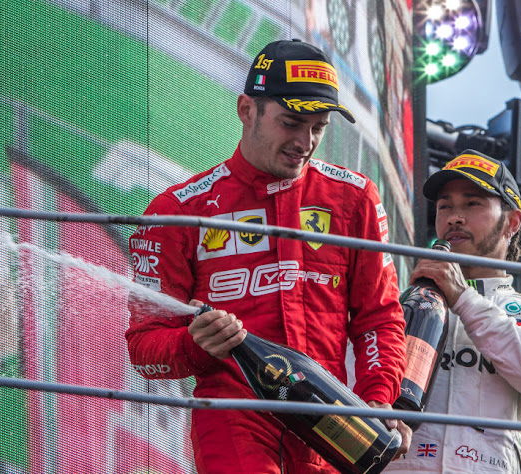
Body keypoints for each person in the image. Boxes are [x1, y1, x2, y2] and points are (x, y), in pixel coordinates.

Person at [125, 39, 410, 473]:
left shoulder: (355, 199)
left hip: (333, 417)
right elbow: (145, 349)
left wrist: (376, 401)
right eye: (291, 122)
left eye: (318, 128)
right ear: (246, 110)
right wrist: (194, 345)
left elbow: (379, 317)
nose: (305, 141)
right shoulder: (178, 211)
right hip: (233, 416)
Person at [383, 150, 521, 473]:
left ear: (511, 222)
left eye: (472, 203)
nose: (454, 217)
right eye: (445, 206)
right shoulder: (395, 301)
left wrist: (462, 298)